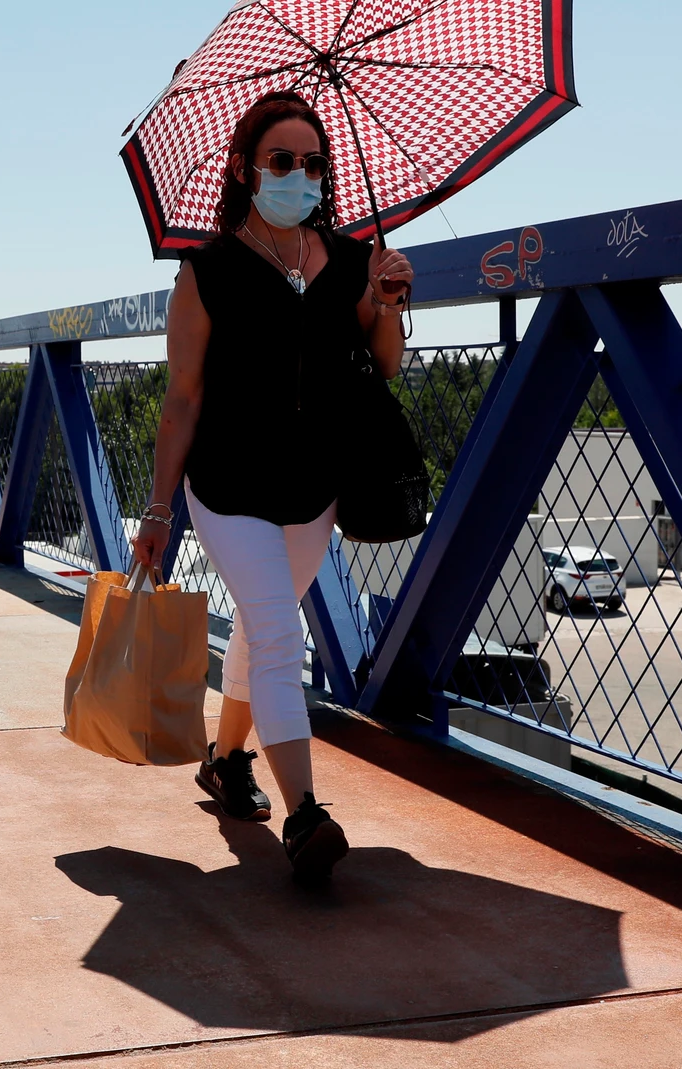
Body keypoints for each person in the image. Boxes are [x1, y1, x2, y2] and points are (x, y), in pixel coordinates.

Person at [129, 90, 413, 886]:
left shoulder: (355, 259)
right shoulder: (208, 270)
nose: (300, 175)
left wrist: (387, 304)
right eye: (282, 161)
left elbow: (385, 362)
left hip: (313, 489)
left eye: (314, 164)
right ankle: (307, 815)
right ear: (245, 170)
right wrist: (159, 508)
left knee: (265, 628)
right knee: (281, 638)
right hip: (226, 486)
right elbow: (183, 397)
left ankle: (224, 762)